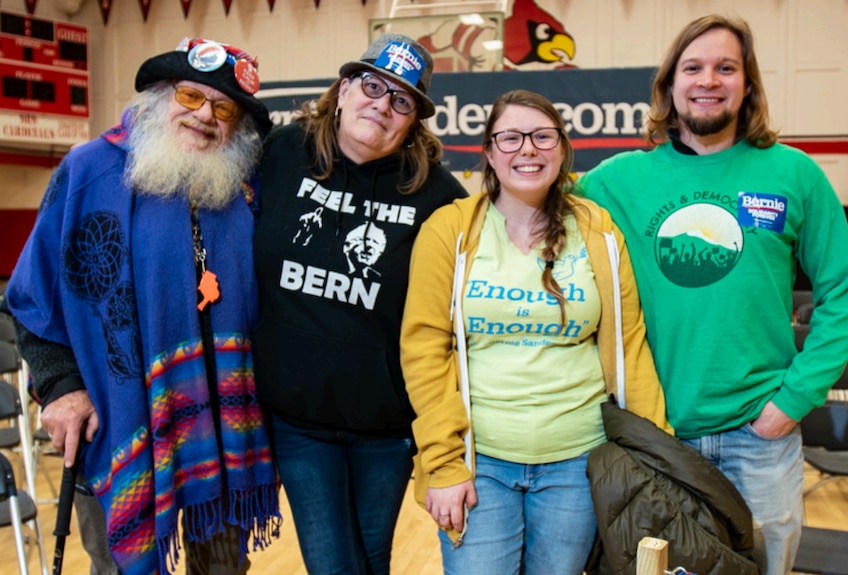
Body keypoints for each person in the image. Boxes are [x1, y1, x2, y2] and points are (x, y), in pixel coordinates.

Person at [579, 14, 848, 575]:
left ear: (748, 84)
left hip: (759, 439)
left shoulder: (793, 173)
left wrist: (791, 403)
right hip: (656, 436)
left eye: (725, 67)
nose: (709, 80)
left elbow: (844, 292)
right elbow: (528, 207)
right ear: (669, 85)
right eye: (693, 67)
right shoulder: (615, 180)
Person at [3, 37, 281, 575]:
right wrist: (61, 388)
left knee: (224, 568)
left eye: (224, 109)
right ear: (159, 94)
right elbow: (32, 297)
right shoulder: (89, 171)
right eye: (191, 97)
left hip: (222, 430)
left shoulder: (245, 190)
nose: (205, 117)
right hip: (113, 415)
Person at [401, 89, 670, 574]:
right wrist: (442, 463)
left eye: (543, 136)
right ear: (488, 152)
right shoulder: (450, 230)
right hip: (480, 461)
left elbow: (629, 345)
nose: (528, 149)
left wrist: (657, 454)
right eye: (511, 137)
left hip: (577, 462)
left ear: (563, 149)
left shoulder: (598, 230)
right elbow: (423, 350)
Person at [252, 33, 468, 574]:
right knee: (334, 567)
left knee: (372, 561)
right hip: (299, 420)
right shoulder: (280, 152)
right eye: (373, 85)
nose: (382, 104)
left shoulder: (438, 194)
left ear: (412, 121)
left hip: (387, 425)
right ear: (344, 89)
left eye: (402, 101)